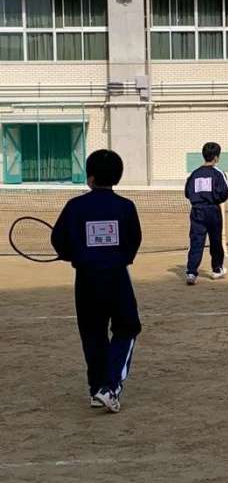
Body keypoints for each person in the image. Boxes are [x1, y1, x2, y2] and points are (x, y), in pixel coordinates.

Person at [51, 149, 142, 413]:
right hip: (116, 277)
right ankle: (109, 387)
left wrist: (73, 255)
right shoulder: (125, 207)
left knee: (92, 333)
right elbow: (134, 240)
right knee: (127, 328)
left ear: (90, 178)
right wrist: (120, 257)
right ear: (117, 177)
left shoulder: (75, 206)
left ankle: (97, 389)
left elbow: (58, 240)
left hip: (86, 279)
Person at [185, 142, 228, 286]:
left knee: (196, 241)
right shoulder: (218, 173)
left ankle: (191, 272)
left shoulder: (194, 174)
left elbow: (187, 192)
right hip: (212, 211)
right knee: (215, 241)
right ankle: (217, 269)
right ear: (216, 157)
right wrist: (214, 199)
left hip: (197, 211)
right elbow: (224, 193)